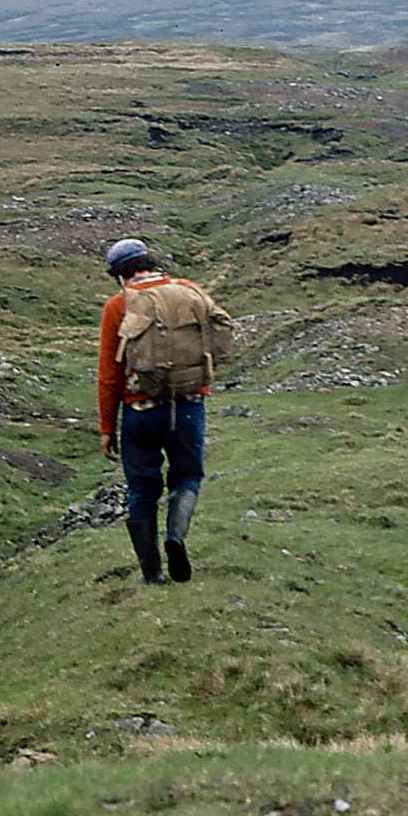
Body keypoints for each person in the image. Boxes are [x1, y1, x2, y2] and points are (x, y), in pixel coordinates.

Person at [97, 238, 231, 585]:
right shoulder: (188, 290)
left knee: (142, 489)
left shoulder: (118, 305)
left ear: (119, 274)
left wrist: (107, 427)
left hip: (140, 411)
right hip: (188, 404)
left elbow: (109, 375)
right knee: (187, 476)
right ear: (150, 262)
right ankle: (176, 537)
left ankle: (152, 572)